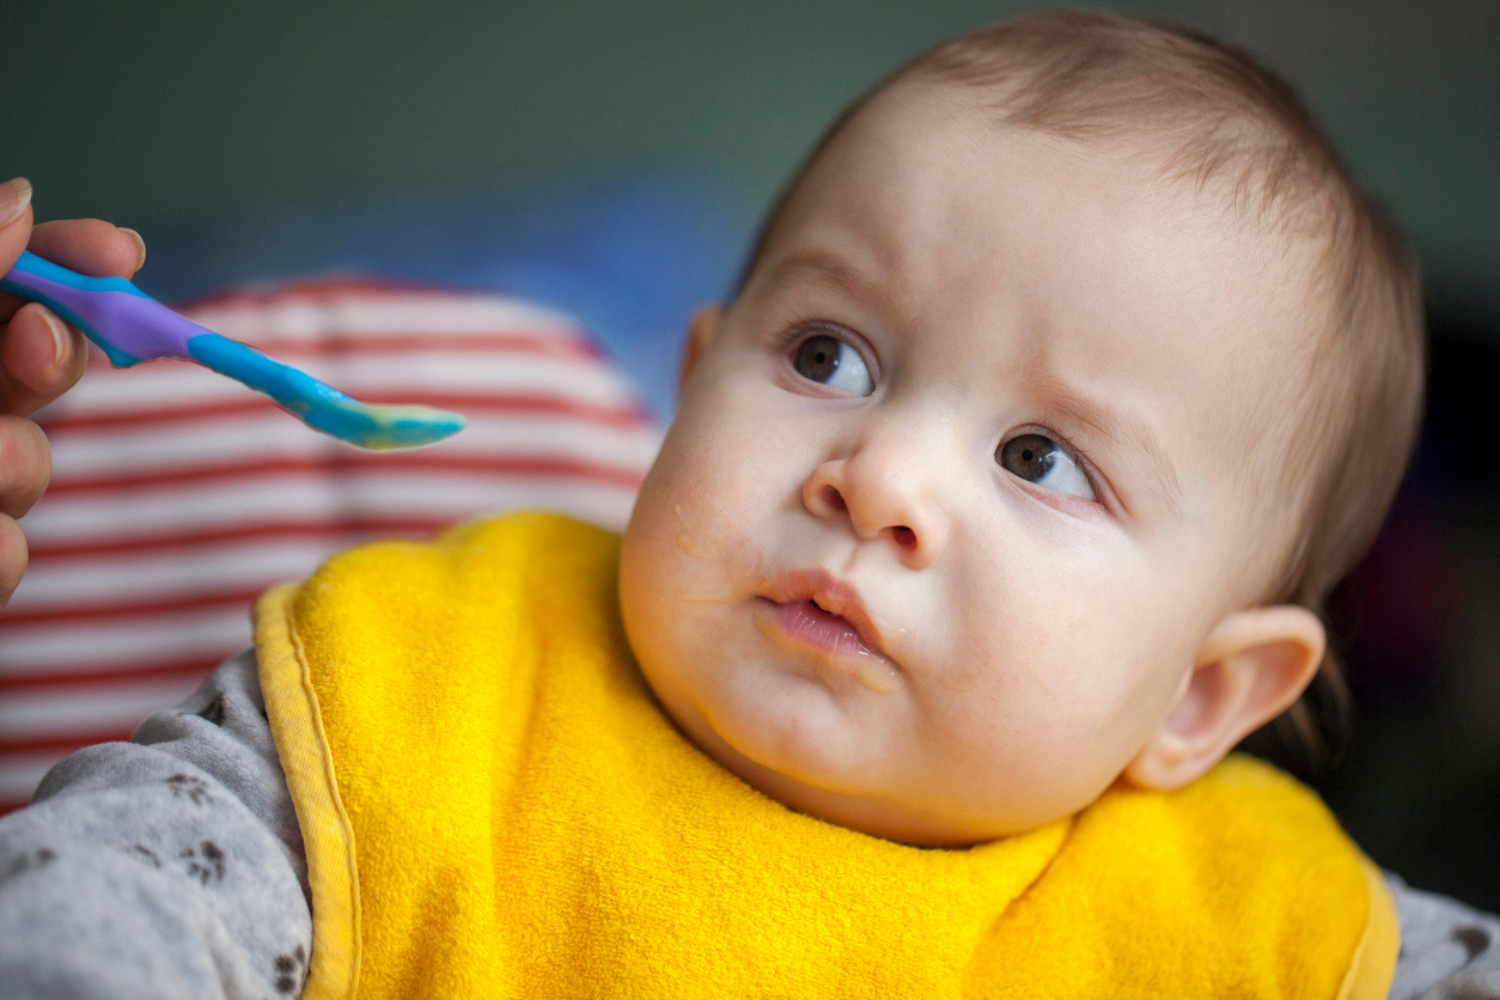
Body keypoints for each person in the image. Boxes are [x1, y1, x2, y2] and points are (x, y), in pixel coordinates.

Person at [1, 11, 1497, 998]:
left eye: (1042, 459)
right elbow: (101, 898)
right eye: (828, 356)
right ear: (690, 394)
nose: (882, 477)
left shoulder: (1264, 929)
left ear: (1201, 693)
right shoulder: (428, 683)